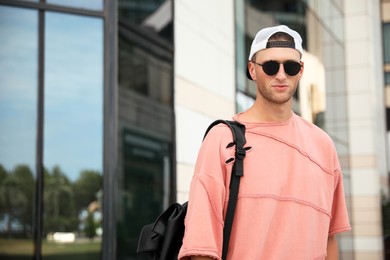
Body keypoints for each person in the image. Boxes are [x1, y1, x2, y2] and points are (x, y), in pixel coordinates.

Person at [178, 25, 351, 260]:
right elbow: (201, 246)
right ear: (252, 69)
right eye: (270, 66)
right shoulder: (223, 139)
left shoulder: (323, 146)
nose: (281, 75)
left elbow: (329, 239)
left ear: (300, 71)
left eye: (290, 67)